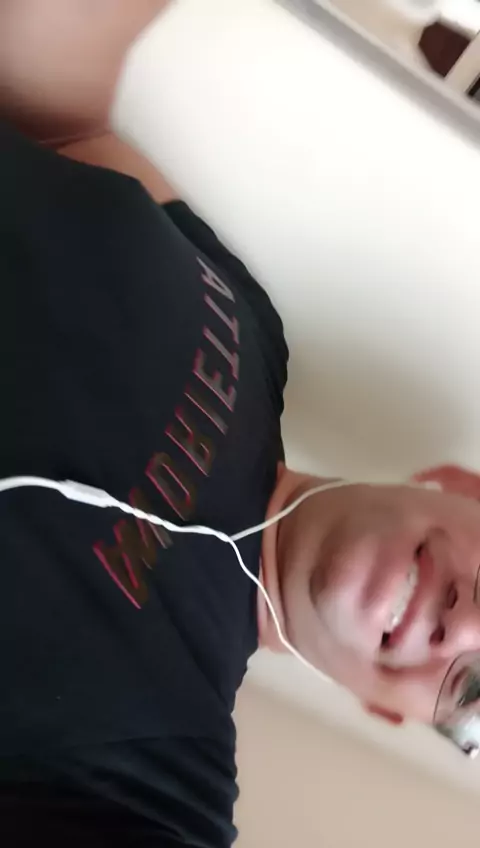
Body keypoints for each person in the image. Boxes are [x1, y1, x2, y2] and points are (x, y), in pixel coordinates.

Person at [2, 1, 480, 844]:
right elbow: (56, 111)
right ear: (462, 487)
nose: (465, 627)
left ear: (388, 711)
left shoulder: (163, 778)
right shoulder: (254, 331)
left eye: (474, 689)